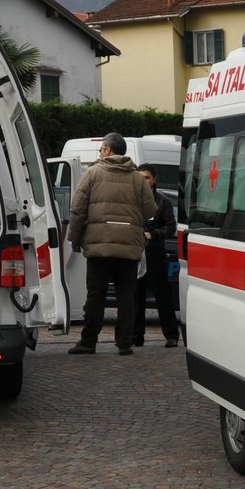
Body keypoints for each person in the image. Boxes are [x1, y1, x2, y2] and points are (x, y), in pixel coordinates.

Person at [66, 133, 157, 355]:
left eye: (101, 149)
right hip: (129, 246)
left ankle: (88, 341)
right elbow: (150, 210)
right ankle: (124, 343)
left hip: (99, 245)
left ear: (107, 150)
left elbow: (78, 209)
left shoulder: (93, 173)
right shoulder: (137, 177)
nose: (100, 153)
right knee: (126, 296)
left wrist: (74, 238)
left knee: (95, 295)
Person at [132, 168, 180, 348]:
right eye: (140, 178)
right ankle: (136, 337)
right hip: (136, 253)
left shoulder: (163, 201)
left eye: (147, 177)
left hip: (155, 253)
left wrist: (154, 234)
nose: (143, 181)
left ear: (154, 179)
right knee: (136, 295)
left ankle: (171, 335)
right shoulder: (131, 199)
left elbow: (170, 227)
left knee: (163, 295)